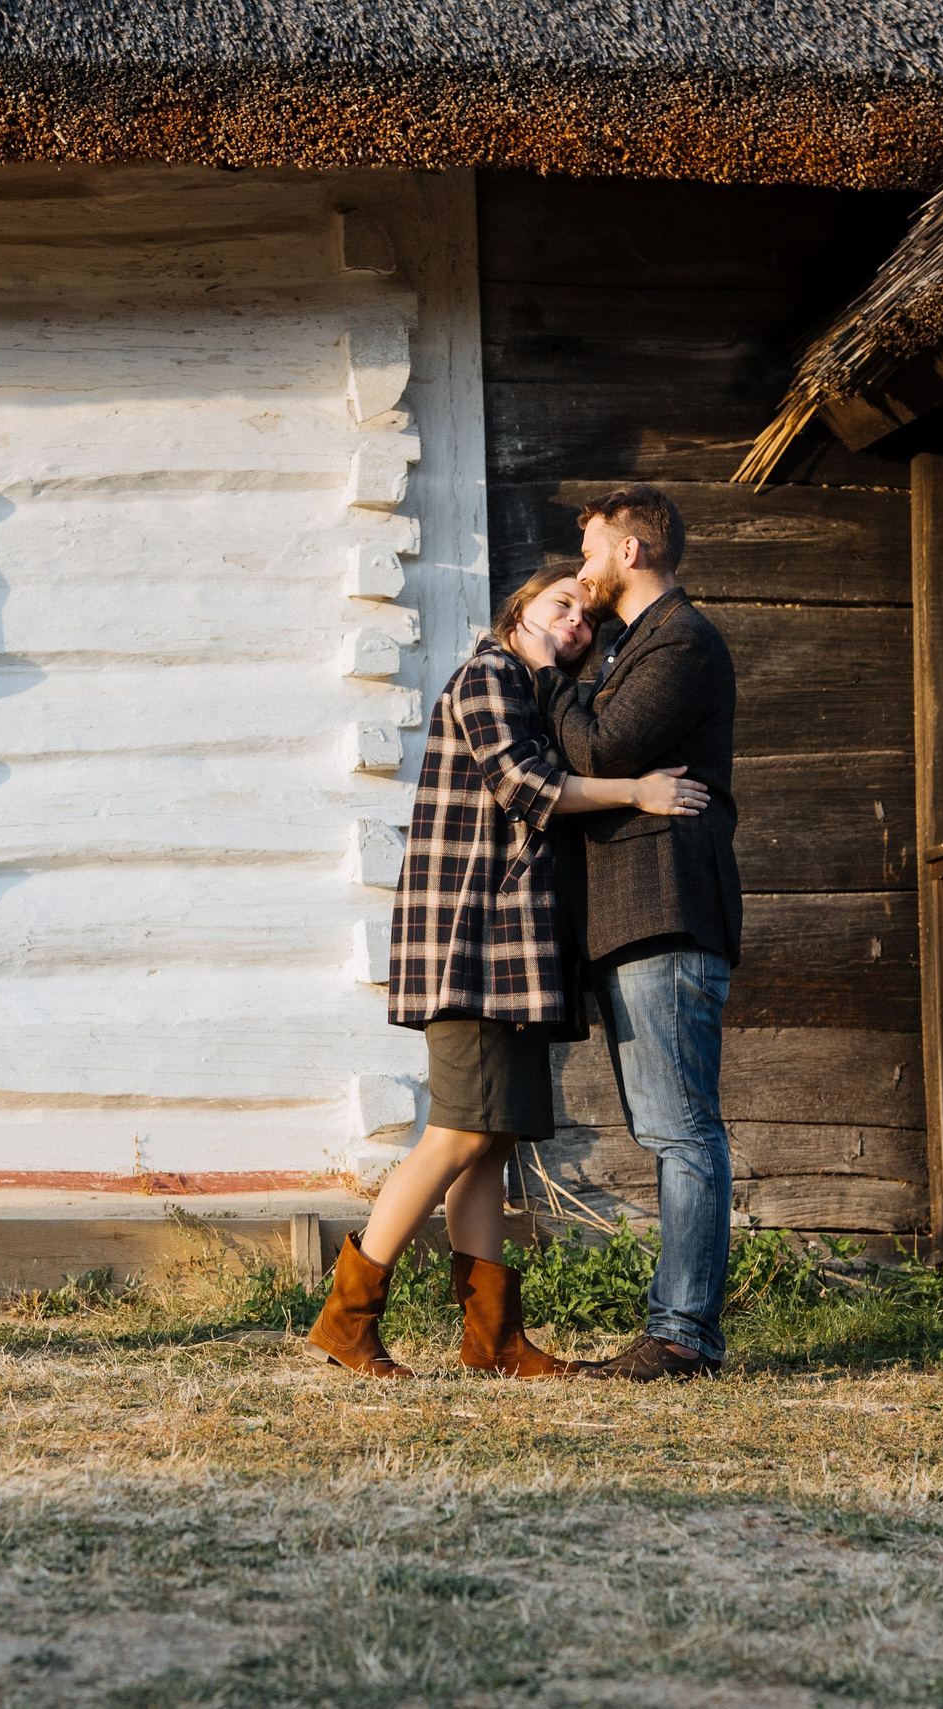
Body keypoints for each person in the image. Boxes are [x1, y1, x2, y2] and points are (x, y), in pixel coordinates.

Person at [306, 565, 710, 1379]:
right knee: (457, 1131)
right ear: (518, 611)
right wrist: (638, 790)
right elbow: (522, 785)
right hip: (473, 946)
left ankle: (491, 1340)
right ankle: (348, 1317)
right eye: (562, 604)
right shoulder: (490, 671)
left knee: (488, 1144)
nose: (577, 622)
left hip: (510, 958)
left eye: (588, 617)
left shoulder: (531, 691)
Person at [509, 483, 740, 1382]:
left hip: (667, 910)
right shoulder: (639, 645)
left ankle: (683, 1332)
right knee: (667, 1125)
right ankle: (683, 1327)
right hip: (636, 917)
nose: (586, 568)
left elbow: (602, 750)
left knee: (681, 1129)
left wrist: (544, 672)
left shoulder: (682, 640)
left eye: (595, 549)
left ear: (630, 553)